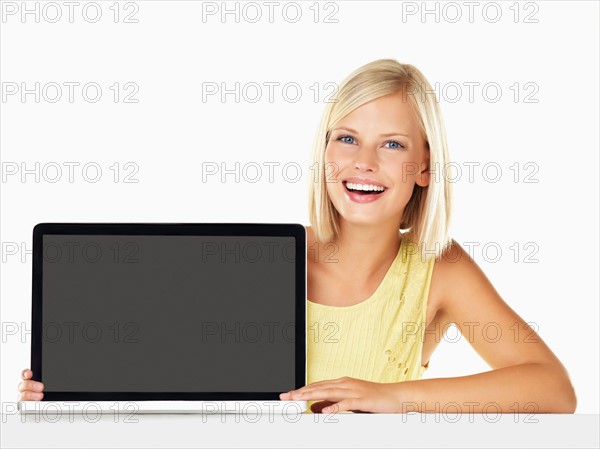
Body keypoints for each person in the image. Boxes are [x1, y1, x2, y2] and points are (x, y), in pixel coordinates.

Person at [18, 59, 577, 415]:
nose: (363, 163)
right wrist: (76, 388)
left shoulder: (439, 269)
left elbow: (552, 389)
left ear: (425, 167)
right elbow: (176, 372)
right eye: (347, 138)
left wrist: (391, 397)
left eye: (392, 145)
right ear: (324, 150)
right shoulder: (260, 259)